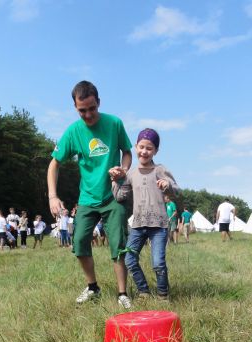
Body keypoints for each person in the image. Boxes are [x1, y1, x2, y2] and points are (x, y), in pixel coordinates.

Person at [47, 80, 133, 308]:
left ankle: (122, 294)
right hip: (87, 198)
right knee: (79, 242)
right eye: (82, 110)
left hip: (112, 196)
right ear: (75, 108)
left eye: (92, 108)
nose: (88, 114)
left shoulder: (114, 124)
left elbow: (127, 152)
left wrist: (123, 170)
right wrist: (52, 196)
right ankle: (92, 287)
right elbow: (54, 164)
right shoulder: (74, 132)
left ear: (99, 103)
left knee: (118, 244)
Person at [112, 128, 179, 301]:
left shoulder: (159, 169)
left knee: (158, 263)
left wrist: (167, 184)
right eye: (141, 147)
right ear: (135, 147)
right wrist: (114, 180)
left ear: (156, 150)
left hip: (158, 226)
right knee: (129, 260)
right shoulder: (131, 173)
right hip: (138, 225)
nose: (144, 151)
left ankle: (163, 294)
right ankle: (144, 291)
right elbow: (120, 196)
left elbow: (176, 189)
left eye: (149, 148)